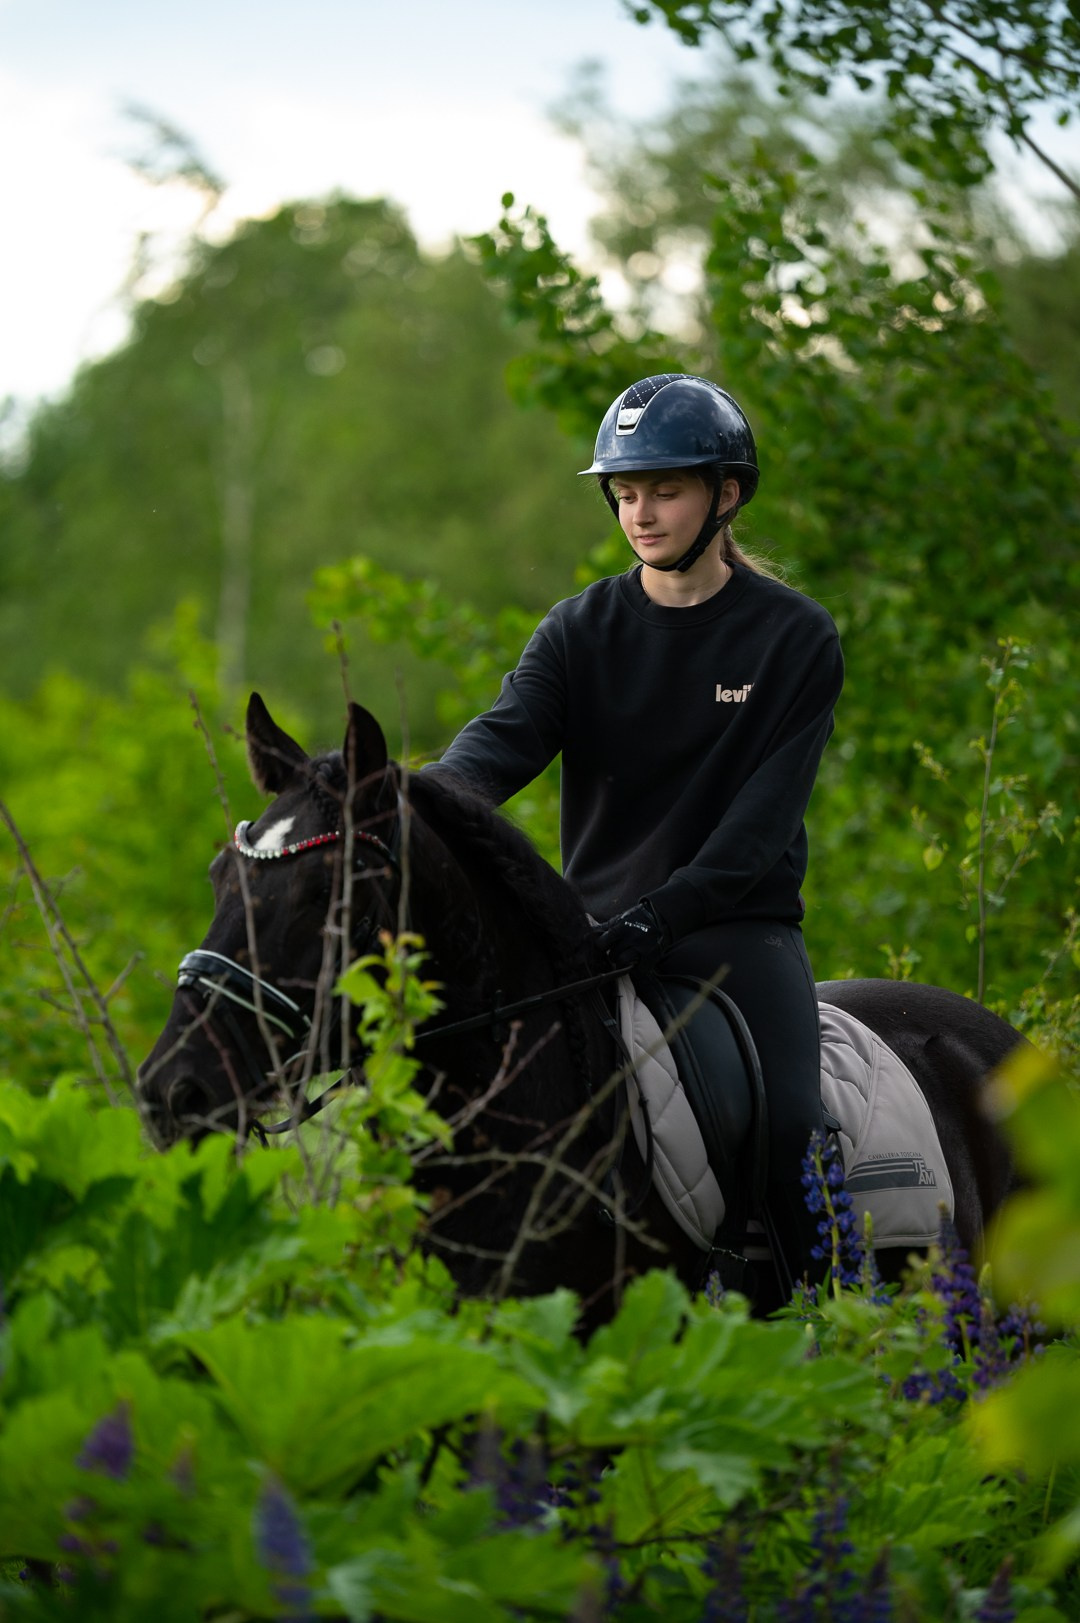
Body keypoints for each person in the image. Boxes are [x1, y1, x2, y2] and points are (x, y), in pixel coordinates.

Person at [430, 372, 844, 1290]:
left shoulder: (795, 637)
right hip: (593, 937)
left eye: (665, 490)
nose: (641, 514)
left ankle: (833, 1309)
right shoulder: (578, 630)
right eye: (624, 493)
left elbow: (757, 828)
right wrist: (408, 806)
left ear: (726, 494)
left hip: (736, 936)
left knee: (791, 1125)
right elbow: (495, 748)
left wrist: (664, 914)